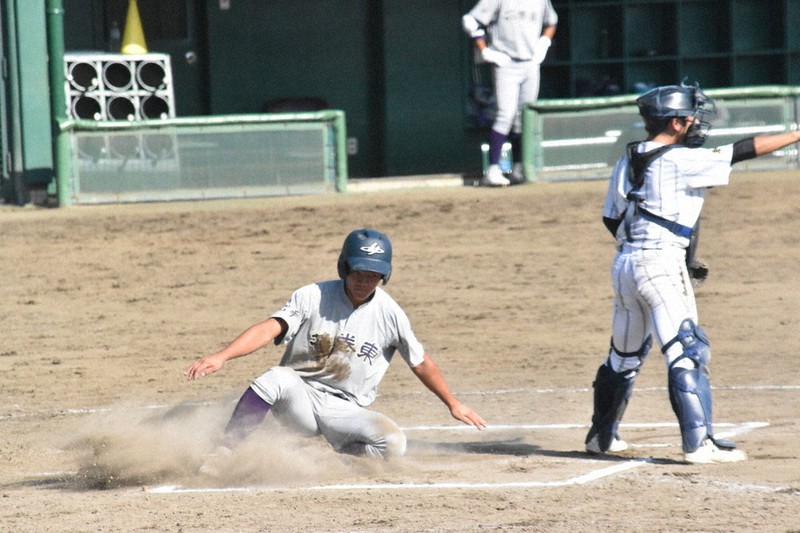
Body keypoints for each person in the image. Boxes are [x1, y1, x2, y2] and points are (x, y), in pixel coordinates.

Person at [584, 83, 800, 464]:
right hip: (660, 265)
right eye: (692, 117)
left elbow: (609, 217)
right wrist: (797, 133)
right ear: (677, 122)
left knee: (623, 356)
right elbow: (742, 150)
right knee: (686, 350)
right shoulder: (680, 160)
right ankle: (699, 444)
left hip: (625, 265)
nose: (697, 123)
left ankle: (601, 437)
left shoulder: (629, 157)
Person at [185, 228, 486, 466]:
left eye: (373, 276)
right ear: (344, 267)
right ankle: (223, 452)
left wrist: (453, 403)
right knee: (274, 378)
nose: (364, 281)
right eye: (358, 273)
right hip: (299, 399)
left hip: (345, 409)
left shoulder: (390, 314)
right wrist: (222, 356)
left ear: (384, 276)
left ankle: (338, 454)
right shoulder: (312, 296)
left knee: (393, 444)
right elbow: (270, 327)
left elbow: (421, 363)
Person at [462, 0, 558, 187]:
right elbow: (470, 21)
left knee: (524, 118)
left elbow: (552, 22)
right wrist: (486, 51)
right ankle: (493, 170)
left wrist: (544, 42)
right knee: (505, 115)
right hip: (505, 61)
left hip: (531, 62)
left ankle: (519, 168)